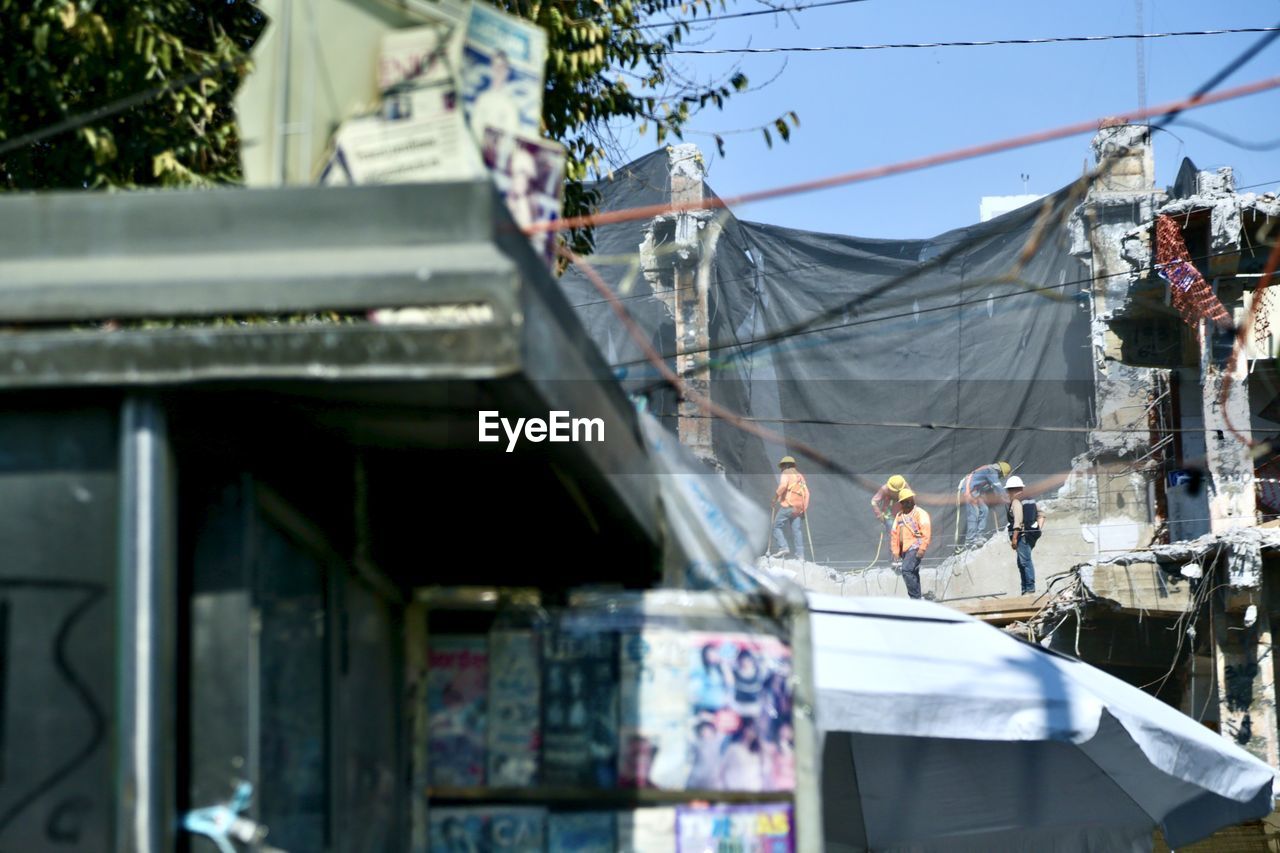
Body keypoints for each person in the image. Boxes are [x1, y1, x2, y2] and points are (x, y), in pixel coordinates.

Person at [1005, 475, 1045, 595]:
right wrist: (1037, 529)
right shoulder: (1030, 499)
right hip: (1031, 535)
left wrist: (1015, 539)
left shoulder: (1016, 502)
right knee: (1021, 561)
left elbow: (1018, 521)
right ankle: (1025, 588)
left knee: (1025, 562)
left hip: (1022, 536)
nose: (1007, 493)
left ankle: (1029, 588)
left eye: (1008, 490)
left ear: (1012, 490)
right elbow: (1042, 514)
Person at [469, 49, 521, 138]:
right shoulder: (482, 99)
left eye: (502, 67)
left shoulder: (511, 105)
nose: (498, 70)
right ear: (491, 69)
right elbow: (474, 128)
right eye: (495, 66)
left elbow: (512, 136)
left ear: (507, 71)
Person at [890, 488, 931, 600]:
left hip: (915, 547)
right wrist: (895, 551)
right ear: (901, 503)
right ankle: (918, 597)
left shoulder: (920, 513)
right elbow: (894, 534)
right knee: (913, 572)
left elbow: (926, 531)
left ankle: (915, 599)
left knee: (906, 570)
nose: (907, 503)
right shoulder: (899, 516)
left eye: (909, 500)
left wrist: (922, 548)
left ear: (912, 500)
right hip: (904, 550)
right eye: (904, 501)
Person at [960, 461, 1011, 549]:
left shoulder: (988, 470)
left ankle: (979, 536)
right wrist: (1007, 499)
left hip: (975, 491)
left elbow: (987, 484)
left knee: (984, 509)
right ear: (1000, 471)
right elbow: (997, 486)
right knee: (973, 514)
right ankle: (970, 540)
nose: (1000, 477)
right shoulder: (991, 471)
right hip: (969, 491)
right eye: (1001, 475)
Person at [770, 456, 809, 559]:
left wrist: (775, 498)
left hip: (789, 505)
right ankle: (800, 555)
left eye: (782, 466)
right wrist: (803, 509)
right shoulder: (800, 476)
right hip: (798, 508)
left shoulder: (786, 473)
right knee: (797, 530)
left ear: (786, 465)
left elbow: (783, 486)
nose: (781, 468)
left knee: (776, 527)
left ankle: (783, 547)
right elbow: (807, 493)